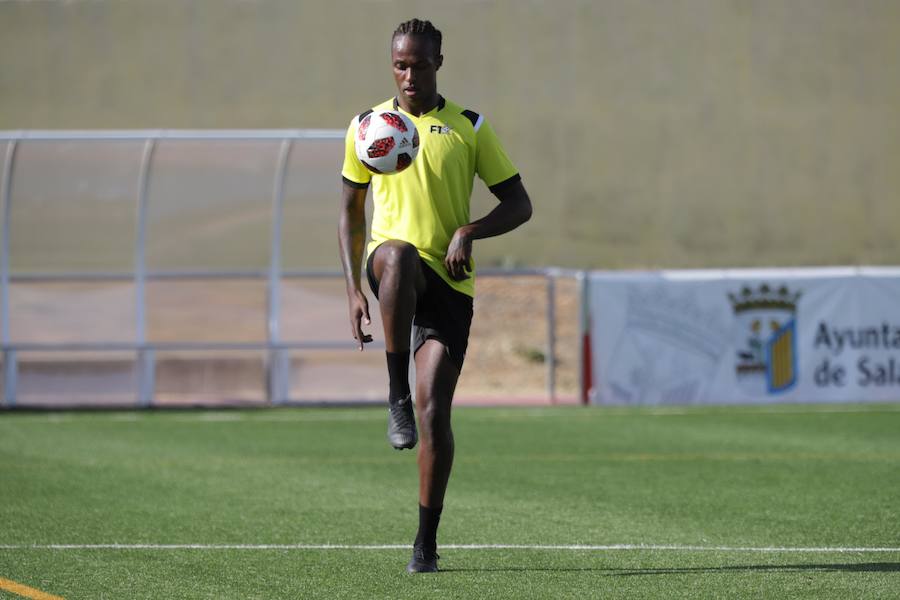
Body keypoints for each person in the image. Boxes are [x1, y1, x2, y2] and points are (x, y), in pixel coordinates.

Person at [338, 18, 532, 573]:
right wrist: (354, 289)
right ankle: (393, 391)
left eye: (419, 64)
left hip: (449, 284)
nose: (409, 75)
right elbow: (351, 213)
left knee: (436, 416)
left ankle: (425, 542)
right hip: (392, 270)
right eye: (400, 64)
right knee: (396, 253)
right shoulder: (369, 126)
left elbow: (519, 203)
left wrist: (470, 231)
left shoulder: (469, 127)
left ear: (437, 63)